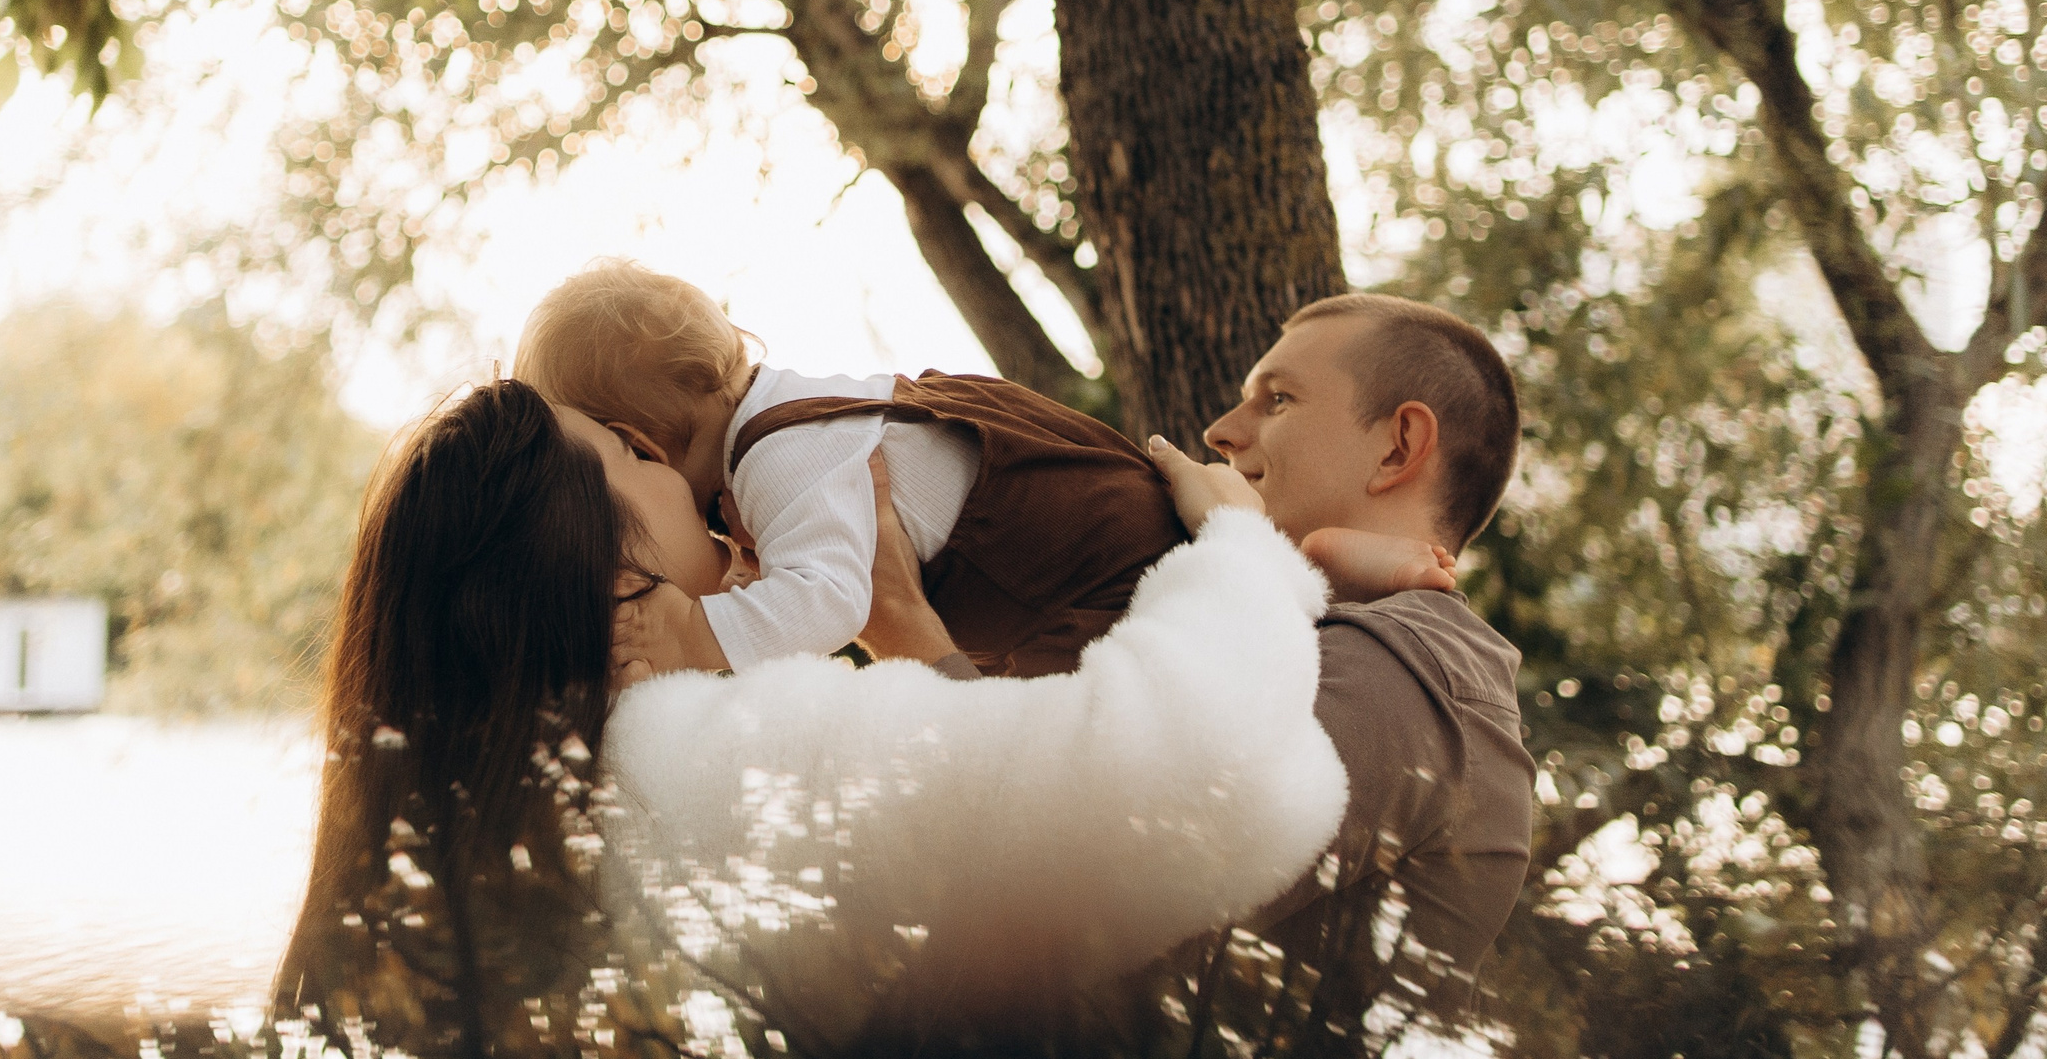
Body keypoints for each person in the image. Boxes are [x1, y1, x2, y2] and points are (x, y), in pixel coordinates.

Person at [276, 378, 1349, 1059]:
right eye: (636, 458)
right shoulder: (700, 762)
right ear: (603, 564)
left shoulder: (500, 822)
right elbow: (1179, 776)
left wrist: (913, 646)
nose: (691, 469)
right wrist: (1243, 557)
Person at [869, 292, 1536, 1051]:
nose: (1221, 431)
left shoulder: (1419, 679)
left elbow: (1075, 870)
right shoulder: (1299, 644)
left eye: (1277, 399)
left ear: (1397, 446)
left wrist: (900, 626)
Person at [512, 259, 1454, 676]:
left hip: (1074, 573)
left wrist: (692, 636)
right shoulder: (796, 425)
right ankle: (1355, 566)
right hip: (1084, 515)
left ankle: (1345, 573)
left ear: (641, 437)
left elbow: (828, 603)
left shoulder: (777, 456)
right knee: (1264, 598)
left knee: (1182, 664)